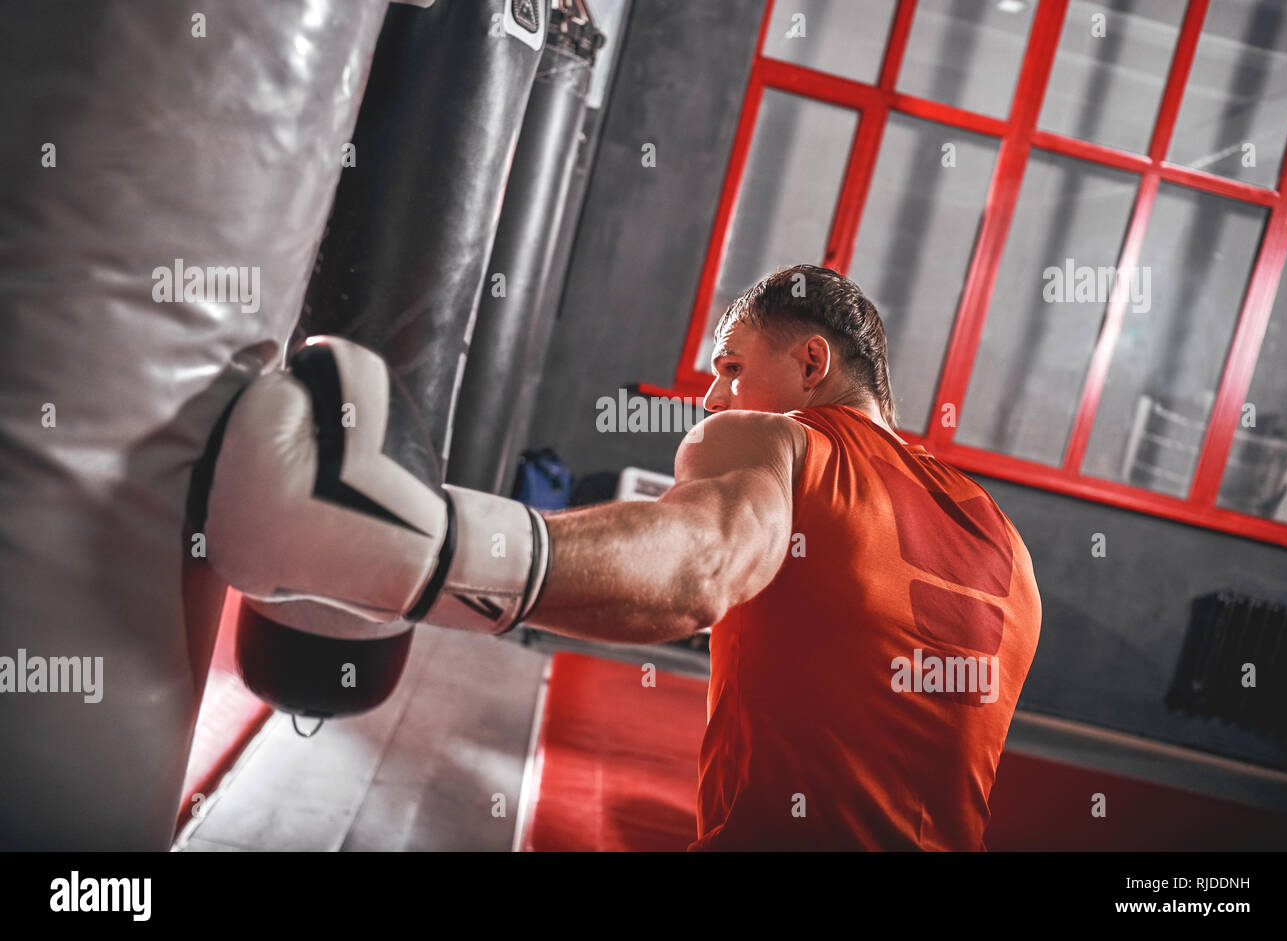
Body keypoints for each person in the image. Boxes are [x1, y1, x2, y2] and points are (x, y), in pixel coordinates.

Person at [205, 263, 1041, 850]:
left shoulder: (785, 442)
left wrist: (425, 550)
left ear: (811, 362)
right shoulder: (1005, 543)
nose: (711, 397)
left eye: (732, 367)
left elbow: (700, 566)